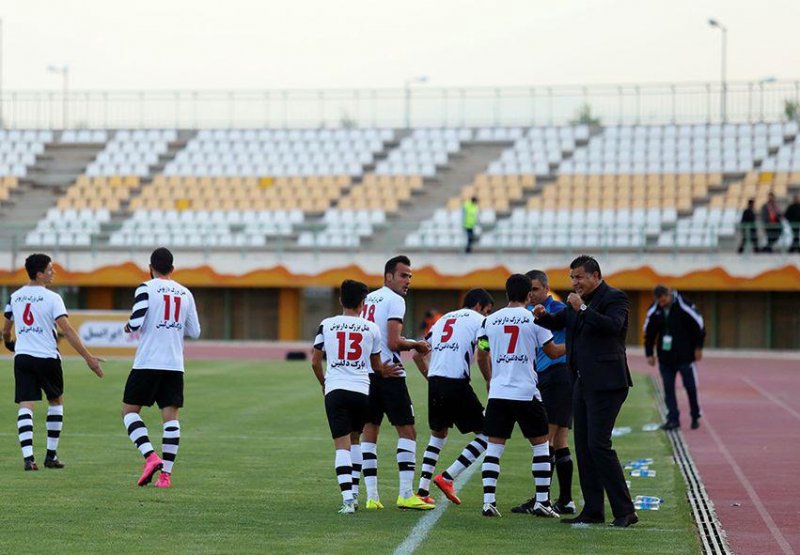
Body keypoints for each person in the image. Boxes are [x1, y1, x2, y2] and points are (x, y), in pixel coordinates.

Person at [533, 255, 637, 528]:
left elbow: (613, 327)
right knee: (583, 447)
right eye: (572, 278)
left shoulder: (615, 297)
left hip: (608, 382)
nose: (575, 282)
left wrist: (582, 310)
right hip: (581, 382)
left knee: (598, 445)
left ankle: (625, 511)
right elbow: (561, 322)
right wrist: (543, 317)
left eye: (579, 277)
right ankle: (593, 509)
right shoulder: (574, 304)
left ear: (595, 275)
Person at [2, 253, 104, 471]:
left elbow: (6, 328)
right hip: (47, 357)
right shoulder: (53, 298)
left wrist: (9, 343)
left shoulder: (15, 296)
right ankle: (51, 455)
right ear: (39, 274)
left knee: (26, 405)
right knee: (55, 401)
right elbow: (66, 329)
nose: (53, 272)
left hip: (23, 357)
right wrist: (88, 358)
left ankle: (29, 459)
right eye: (50, 269)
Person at [477, 274, 565, 518]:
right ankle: (542, 501)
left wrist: (489, 378)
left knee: (494, 447)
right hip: (526, 392)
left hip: (499, 392)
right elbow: (553, 351)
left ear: (506, 294)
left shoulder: (489, 321)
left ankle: (488, 502)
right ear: (528, 295)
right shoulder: (534, 320)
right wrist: (576, 344)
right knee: (540, 445)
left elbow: (482, 353)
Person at [311, 279, 399, 514]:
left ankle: (348, 499)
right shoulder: (372, 328)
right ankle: (356, 494)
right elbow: (377, 365)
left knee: (341, 445)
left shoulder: (327, 324)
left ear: (340, 300)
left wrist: (324, 383)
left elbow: (314, 360)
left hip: (336, 389)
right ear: (363, 303)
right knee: (356, 440)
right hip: (361, 390)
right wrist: (386, 370)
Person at [121, 247, 201, 488]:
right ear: (173, 268)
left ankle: (150, 456)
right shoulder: (185, 292)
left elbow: (135, 323)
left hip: (148, 362)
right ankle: (166, 476)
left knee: (129, 412)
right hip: (174, 364)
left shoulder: (146, 288)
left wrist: (127, 327)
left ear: (150, 268)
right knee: (170, 419)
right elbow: (195, 332)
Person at [359, 255, 433, 510]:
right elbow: (393, 342)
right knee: (408, 431)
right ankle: (405, 493)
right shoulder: (395, 300)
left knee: (370, 430)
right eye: (403, 275)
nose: (408, 281)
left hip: (365, 373)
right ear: (388, 276)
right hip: (388, 372)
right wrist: (417, 344)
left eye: (410, 276)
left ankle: (372, 497)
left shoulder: (368, 299)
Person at [411, 288, 495, 505]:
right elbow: (483, 351)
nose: (486, 314)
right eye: (487, 310)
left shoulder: (442, 319)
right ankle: (448, 477)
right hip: (456, 381)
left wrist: (431, 378)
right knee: (488, 433)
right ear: (478, 306)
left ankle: (422, 490)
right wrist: (489, 379)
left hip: (437, 382)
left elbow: (416, 355)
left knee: (438, 435)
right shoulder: (480, 320)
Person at [525, 270, 575, 515]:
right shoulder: (527, 313)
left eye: (535, 289)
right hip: (548, 377)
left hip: (557, 375)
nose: (531, 294)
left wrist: (574, 349)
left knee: (546, 441)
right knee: (559, 441)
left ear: (546, 288)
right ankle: (565, 500)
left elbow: (562, 334)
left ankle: (541, 499)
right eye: (528, 290)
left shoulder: (555, 309)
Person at [644, 285, 705, 430]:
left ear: (669, 294)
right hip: (665, 357)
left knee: (690, 387)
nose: (662, 303)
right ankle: (673, 419)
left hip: (685, 356)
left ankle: (695, 415)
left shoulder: (684, 305)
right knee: (668, 388)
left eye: (664, 299)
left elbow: (699, 326)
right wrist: (649, 353)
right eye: (659, 301)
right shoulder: (655, 309)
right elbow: (649, 332)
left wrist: (698, 347)